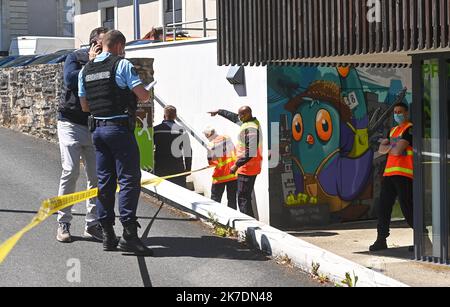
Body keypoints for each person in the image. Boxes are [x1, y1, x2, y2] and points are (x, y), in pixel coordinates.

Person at [79, 30, 153, 256]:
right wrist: (141, 94)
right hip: (118, 129)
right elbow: (143, 96)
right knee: (129, 179)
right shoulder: (122, 65)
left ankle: (108, 234)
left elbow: (85, 107)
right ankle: (129, 234)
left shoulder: (85, 69)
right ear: (120, 46)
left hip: (97, 131)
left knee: (105, 182)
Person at [56, 27, 109, 243]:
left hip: (93, 124)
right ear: (94, 44)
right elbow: (69, 80)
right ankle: (63, 222)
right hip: (69, 122)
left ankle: (92, 223)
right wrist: (90, 64)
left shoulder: (109, 62)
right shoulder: (75, 57)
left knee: (96, 176)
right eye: (104, 43)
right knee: (70, 171)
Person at [370, 102, 414, 252]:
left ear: (406, 113)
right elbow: (383, 150)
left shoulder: (410, 129)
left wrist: (389, 146)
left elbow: (396, 151)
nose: (397, 114)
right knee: (383, 207)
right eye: (395, 112)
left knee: (407, 207)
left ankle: (421, 238)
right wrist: (391, 147)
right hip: (389, 174)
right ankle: (381, 240)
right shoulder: (393, 130)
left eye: (400, 112)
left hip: (404, 174)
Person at [208, 107, 262, 218]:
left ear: (247, 114)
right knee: (245, 196)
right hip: (249, 166)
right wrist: (219, 111)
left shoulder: (250, 128)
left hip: (247, 167)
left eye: (241, 115)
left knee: (243, 197)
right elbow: (234, 117)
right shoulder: (248, 122)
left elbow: (250, 151)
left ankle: (248, 226)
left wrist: (236, 165)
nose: (239, 117)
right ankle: (251, 223)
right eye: (239, 115)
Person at [153, 106, 192, 188]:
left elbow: (149, 149)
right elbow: (188, 150)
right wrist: (188, 169)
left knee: (162, 192)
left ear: (164, 115)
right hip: (177, 168)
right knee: (179, 194)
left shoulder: (155, 130)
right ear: (175, 116)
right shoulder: (182, 131)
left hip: (160, 167)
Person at [203, 126, 238, 210]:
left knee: (215, 200)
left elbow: (212, 163)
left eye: (205, 135)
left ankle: (214, 218)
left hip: (220, 176)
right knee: (232, 200)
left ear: (209, 134)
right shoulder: (227, 138)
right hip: (233, 174)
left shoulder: (211, 145)